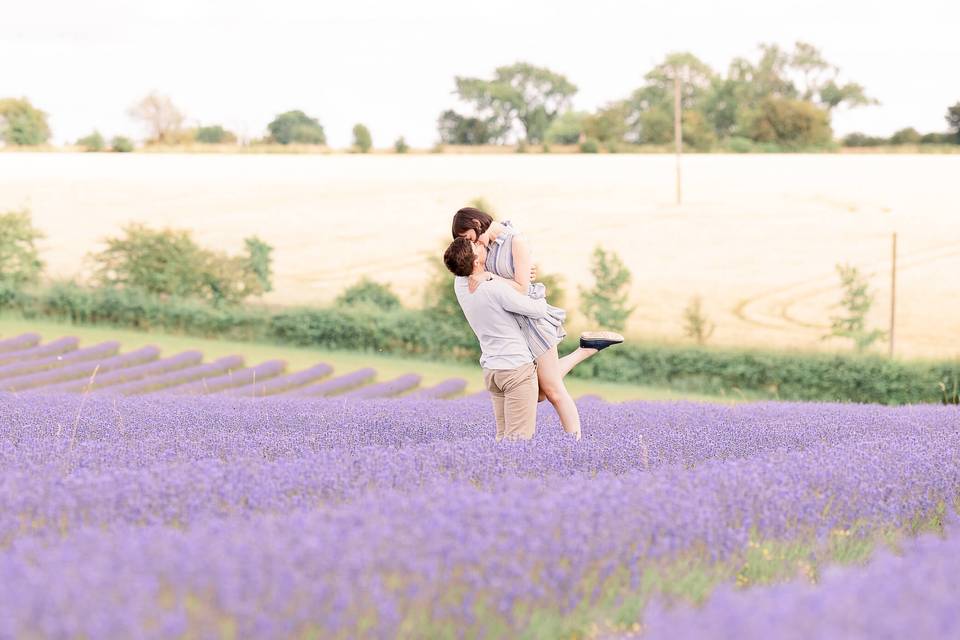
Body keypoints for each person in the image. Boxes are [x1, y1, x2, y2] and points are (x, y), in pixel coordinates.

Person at [451, 206, 622, 438]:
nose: (467, 243)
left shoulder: (515, 241)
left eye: (466, 237)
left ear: (475, 223)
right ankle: (585, 349)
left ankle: (577, 445)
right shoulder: (483, 247)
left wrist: (490, 276)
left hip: (532, 320)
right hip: (512, 324)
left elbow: (521, 288)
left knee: (552, 390)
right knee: (537, 392)